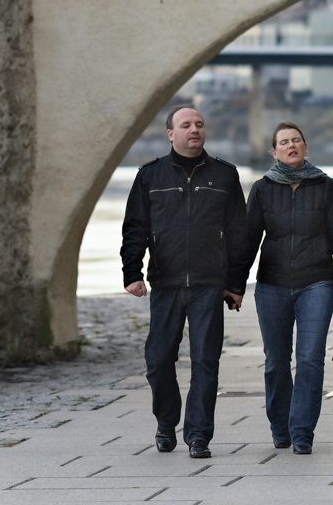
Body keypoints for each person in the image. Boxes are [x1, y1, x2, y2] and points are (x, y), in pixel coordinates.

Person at [121, 105, 248, 459]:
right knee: (159, 360)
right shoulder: (150, 176)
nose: (194, 130)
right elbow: (135, 229)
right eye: (186, 125)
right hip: (166, 283)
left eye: (199, 125)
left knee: (206, 362)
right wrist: (132, 272)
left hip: (210, 284)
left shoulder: (225, 175)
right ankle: (166, 423)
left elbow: (240, 234)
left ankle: (198, 436)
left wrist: (236, 283)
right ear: (171, 134)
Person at [231, 122, 333, 455]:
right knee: (276, 361)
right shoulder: (262, 189)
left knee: (309, 359)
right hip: (271, 285)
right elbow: (248, 240)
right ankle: (280, 426)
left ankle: (302, 430)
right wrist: (234, 285)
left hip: (316, 283)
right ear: (274, 152)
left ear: (305, 148)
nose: (291, 146)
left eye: (296, 141)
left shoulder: (326, 187)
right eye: (284, 143)